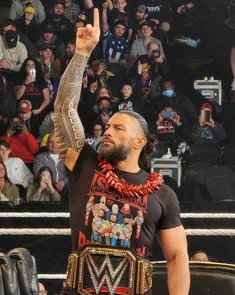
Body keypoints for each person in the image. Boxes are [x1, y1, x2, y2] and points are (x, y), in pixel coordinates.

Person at [54, 8, 190, 295]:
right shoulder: (85, 163)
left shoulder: (162, 194)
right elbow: (65, 108)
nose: (108, 130)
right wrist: (81, 55)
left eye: (119, 128)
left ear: (140, 142)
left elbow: (177, 258)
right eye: (108, 126)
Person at [33, 133, 69, 201]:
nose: (54, 145)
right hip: (47, 189)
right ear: (46, 143)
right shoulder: (40, 158)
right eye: (51, 142)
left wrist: (64, 182)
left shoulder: (68, 157)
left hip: (66, 188)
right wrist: (53, 186)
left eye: (57, 142)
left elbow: (74, 175)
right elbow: (39, 176)